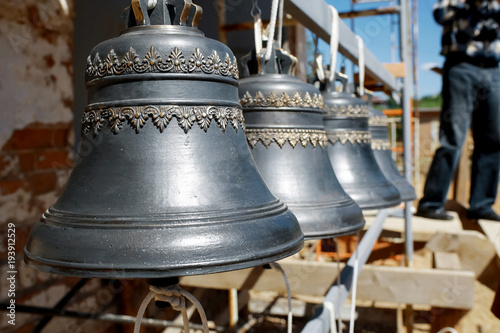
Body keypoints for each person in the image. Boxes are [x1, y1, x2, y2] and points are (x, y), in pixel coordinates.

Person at [416, 0, 500, 221]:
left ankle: (481, 205)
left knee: (493, 138)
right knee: (453, 136)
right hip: (460, 65)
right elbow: (440, 14)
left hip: (492, 69)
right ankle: (431, 203)